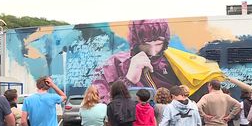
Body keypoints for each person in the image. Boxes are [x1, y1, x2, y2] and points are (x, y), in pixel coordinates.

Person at [92, 20, 224, 104]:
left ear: (165, 43)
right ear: (135, 43)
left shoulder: (176, 63)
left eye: (158, 44)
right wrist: (128, 79)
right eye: (145, 44)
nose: (153, 51)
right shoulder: (113, 65)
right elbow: (99, 103)